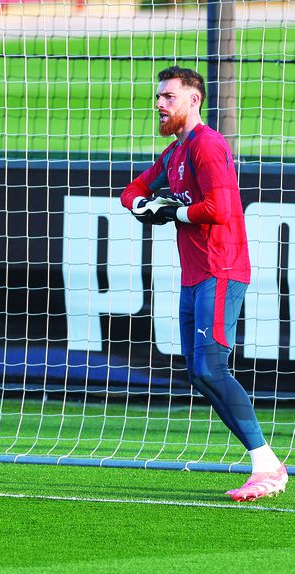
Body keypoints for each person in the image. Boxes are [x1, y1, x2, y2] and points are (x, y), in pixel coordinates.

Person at [121, 66, 288, 501]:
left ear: (193, 101)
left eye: (169, 97)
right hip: (195, 276)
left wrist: (170, 212)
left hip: (221, 268)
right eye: (159, 97)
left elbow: (220, 206)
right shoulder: (175, 153)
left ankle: (267, 466)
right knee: (199, 372)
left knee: (210, 367)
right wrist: (143, 204)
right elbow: (131, 191)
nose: (159, 104)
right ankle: (266, 463)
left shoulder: (208, 145)